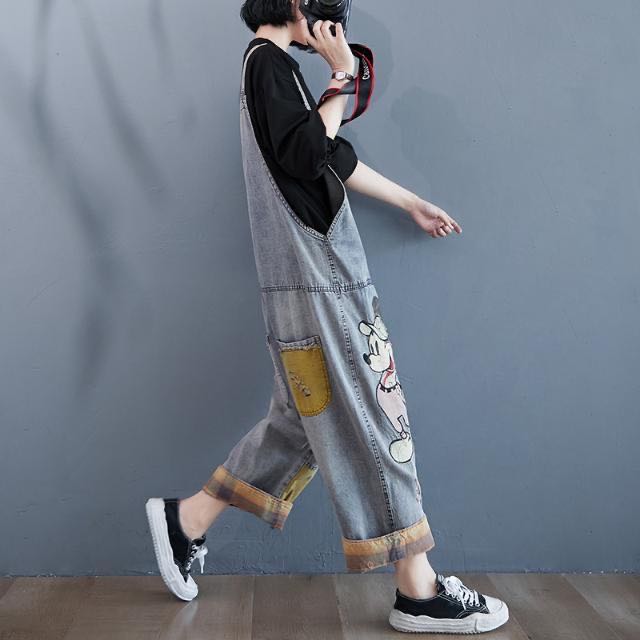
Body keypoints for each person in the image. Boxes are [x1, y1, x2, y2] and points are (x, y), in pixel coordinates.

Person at [145, 0, 509, 634]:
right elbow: (305, 153)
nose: (334, 15)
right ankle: (417, 588)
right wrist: (341, 75)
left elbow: (325, 154)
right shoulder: (268, 64)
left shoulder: (270, 68)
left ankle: (187, 520)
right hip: (319, 282)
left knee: (300, 422)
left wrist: (410, 202)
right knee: (374, 414)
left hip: (303, 285)